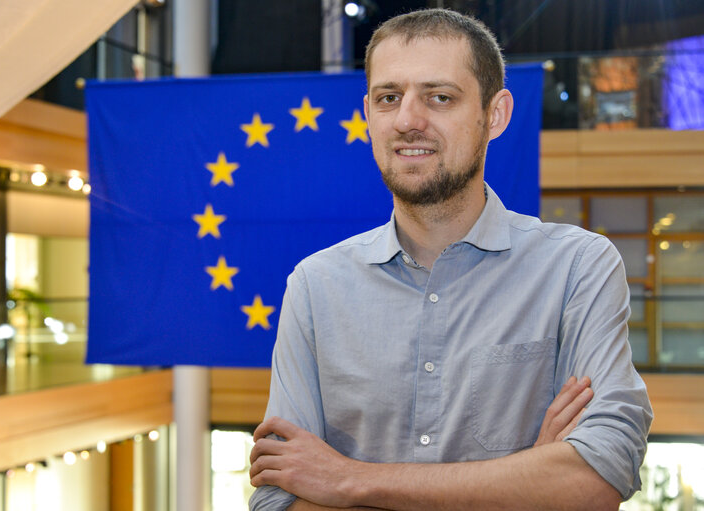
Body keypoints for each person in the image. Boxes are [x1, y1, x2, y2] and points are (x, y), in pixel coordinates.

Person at [248, 8, 652, 511]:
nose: (408, 120)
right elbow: (278, 499)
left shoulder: (577, 268)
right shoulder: (315, 286)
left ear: (495, 115)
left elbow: (598, 477)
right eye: (388, 98)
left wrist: (351, 481)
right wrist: (526, 481)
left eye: (440, 97)